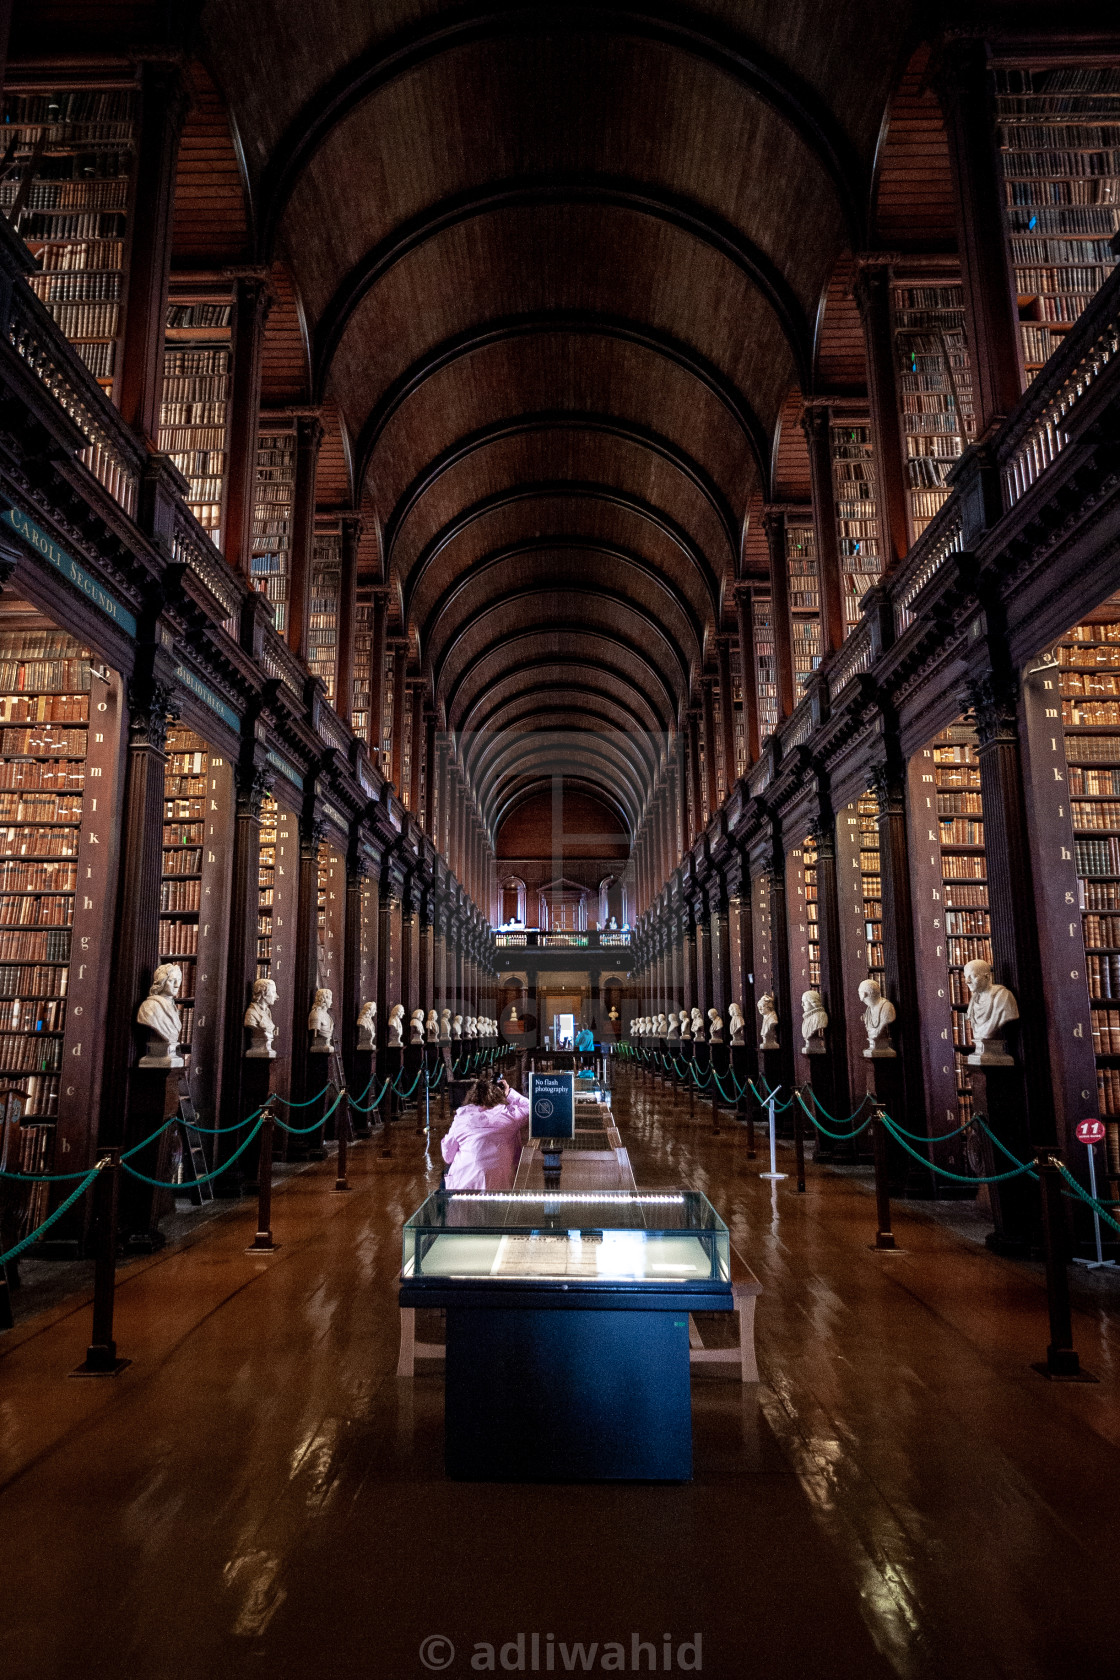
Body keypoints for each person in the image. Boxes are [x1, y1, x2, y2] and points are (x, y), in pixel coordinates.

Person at [441, 1074, 530, 1191]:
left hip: (465, 1185)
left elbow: (448, 1156)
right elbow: (530, 1107)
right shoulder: (510, 1116)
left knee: (445, 1175)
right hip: (500, 1183)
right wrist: (509, 1094)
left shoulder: (462, 1117)